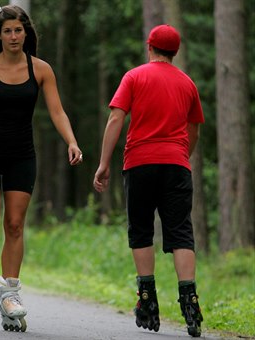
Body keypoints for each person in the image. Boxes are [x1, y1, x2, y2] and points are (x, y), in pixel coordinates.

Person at [0, 5, 82, 332]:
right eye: (7, 31)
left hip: (22, 154)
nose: (13, 36)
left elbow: (57, 111)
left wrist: (72, 141)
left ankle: (10, 295)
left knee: (15, 224)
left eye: (18, 31)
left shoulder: (41, 70)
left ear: (26, 33)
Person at [93, 24, 204, 337]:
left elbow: (116, 118)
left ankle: (147, 301)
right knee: (181, 231)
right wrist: (182, 155)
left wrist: (103, 163)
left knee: (141, 229)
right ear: (176, 51)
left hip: (140, 163)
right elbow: (194, 128)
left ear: (150, 47)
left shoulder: (135, 76)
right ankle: (190, 301)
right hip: (176, 165)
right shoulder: (187, 84)